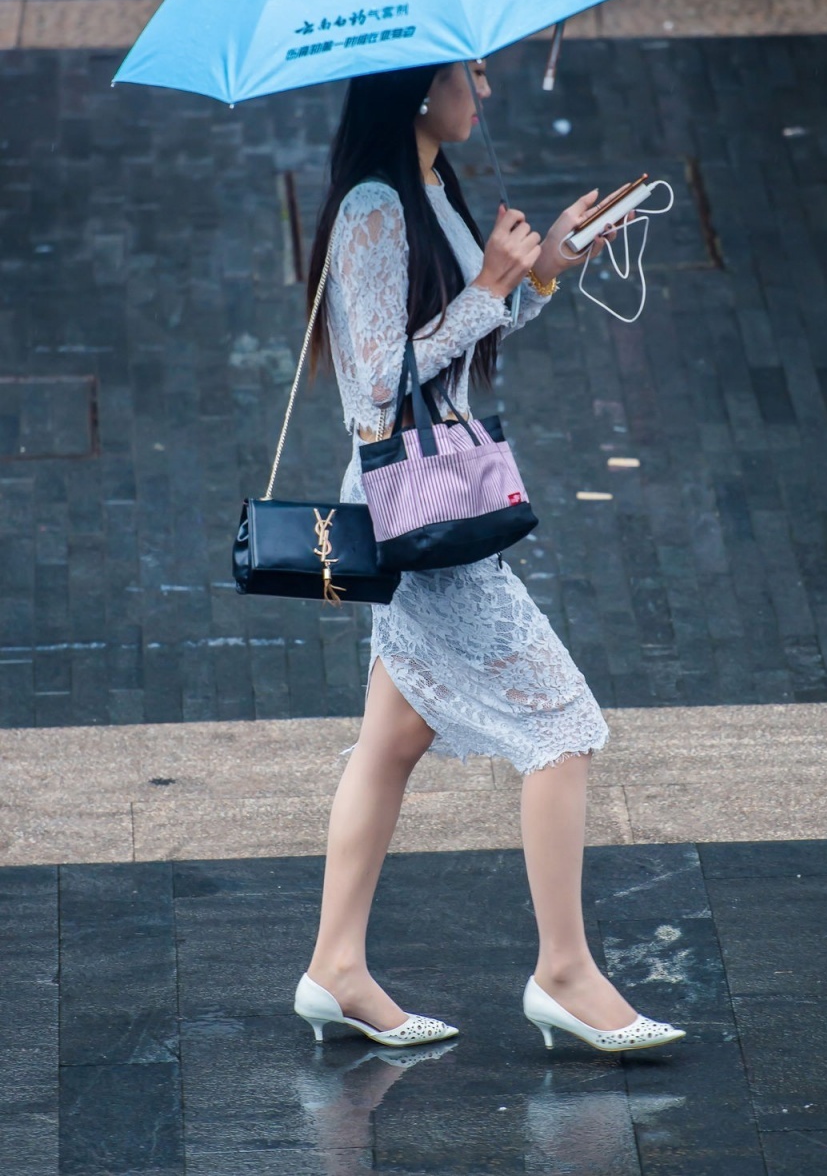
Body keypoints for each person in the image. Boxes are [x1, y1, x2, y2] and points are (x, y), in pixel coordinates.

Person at [293, 59, 685, 1055]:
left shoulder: (430, 185)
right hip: (420, 518)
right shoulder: (375, 211)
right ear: (417, 89)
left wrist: (545, 265)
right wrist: (488, 287)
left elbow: (472, 336)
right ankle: (564, 971)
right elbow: (374, 386)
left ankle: (335, 967)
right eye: (470, 73)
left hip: (440, 499)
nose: (485, 90)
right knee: (561, 726)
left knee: (391, 740)